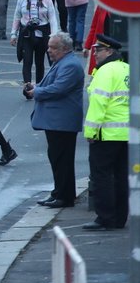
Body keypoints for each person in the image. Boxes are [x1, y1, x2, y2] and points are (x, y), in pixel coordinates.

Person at [24, 32, 84, 208]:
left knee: (62, 160)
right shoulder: (63, 62)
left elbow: (58, 89)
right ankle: (59, 192)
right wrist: (35, 87)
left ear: (64, 49)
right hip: (57, 121)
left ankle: (65, 197)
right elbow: (50, 83)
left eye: (52, 47)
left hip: (62, 122)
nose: (48, 50)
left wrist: (37, 92)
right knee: (56, 158)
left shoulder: (70, 65)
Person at [82, 35, 130, 230]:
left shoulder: (105, 72)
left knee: (102, 176)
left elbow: (99, 103)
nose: (95, 53)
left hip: (107, 133)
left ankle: (105, 218)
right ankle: (120, 218)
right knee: (121, 176)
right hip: (128, 134)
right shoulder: (128, 69)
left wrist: (91, 132)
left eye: (98, 50)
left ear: (109, 51)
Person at [10, 0, 60, 91]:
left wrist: (54, 35)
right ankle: (27, 85)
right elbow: (17, 16)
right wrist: (13, 34)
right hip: (27, 34)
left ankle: (39, 86)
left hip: (42, 34)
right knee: (27, 60)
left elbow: (52, 17)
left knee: (39, 61)